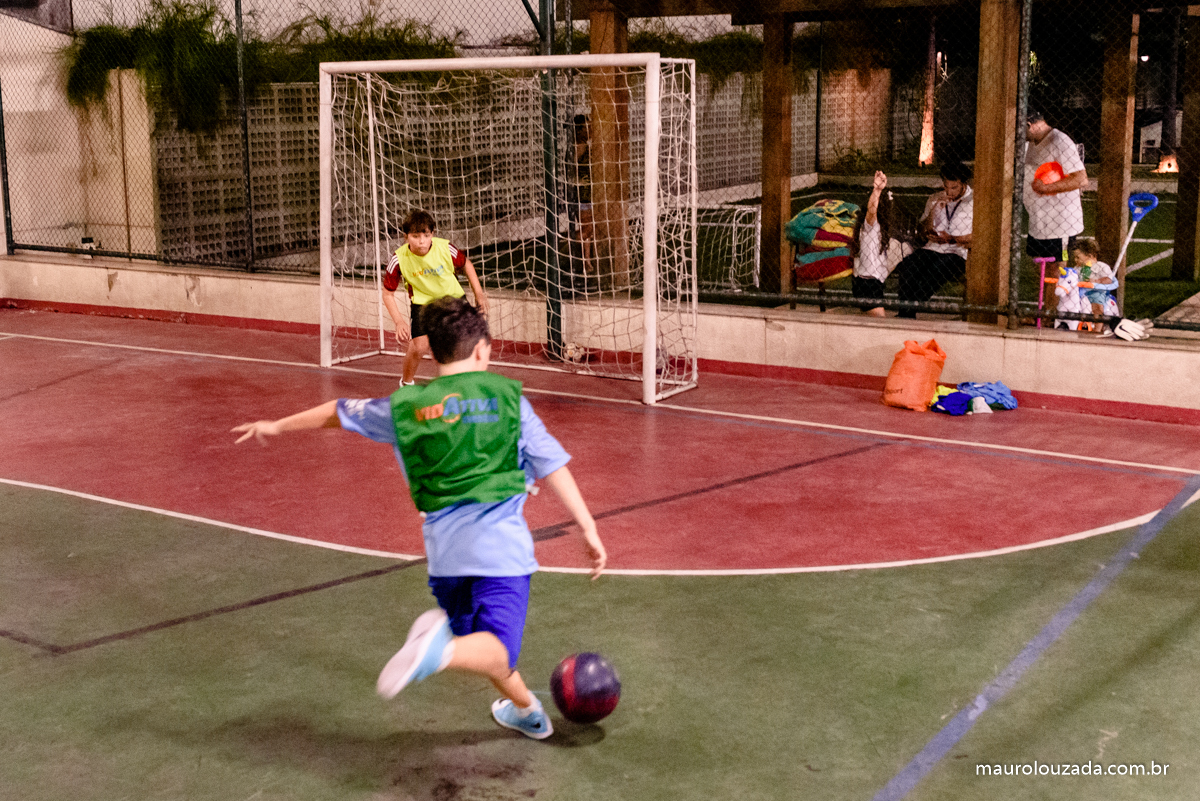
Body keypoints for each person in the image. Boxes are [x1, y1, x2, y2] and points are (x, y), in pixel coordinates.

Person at [232, 297, 606, 741]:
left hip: (444, 557)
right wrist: (588, 527)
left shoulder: (405, 407)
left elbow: (337, 410)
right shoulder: (509, 402)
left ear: (433, 351)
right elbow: (552, 466)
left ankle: (525, 710)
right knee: (493, 649)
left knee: (482, 651)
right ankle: (436, 653)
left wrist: (276, 425)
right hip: (500, 549)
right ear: (483, 350)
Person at [383, 209, 489, 386]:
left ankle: (466, 382)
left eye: (426, 235)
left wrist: (478, 293)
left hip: (453, 300)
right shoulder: (399, 259)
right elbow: (387, 294)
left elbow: (466, 265)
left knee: (464, 343)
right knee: (419, 347)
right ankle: (406, 384)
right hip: (423, 304)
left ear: (433, 234)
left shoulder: (445, 248)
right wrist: (399, 321)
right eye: (415, 236)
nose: (421, 241)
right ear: (405, 237)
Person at [1025, 109, 1088, 312]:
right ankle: (1044, 312)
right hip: (1039, 220)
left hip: (1059, 222)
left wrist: (1047, 188)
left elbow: (1080, 178)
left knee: (1057, 269)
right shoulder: (1032, 144)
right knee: (1040, 269)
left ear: (1028, 124)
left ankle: (1056, 314)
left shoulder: (1059, 142)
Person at [895, 161, 974, 318]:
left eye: (954, 188)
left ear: (963, 184)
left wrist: (952, 238)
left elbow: (978, 236)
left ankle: (909, 309)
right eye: (946, 187)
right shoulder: (936, 198)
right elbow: (923, 229)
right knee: (908, 266)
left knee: (937, 270)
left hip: (958, 251)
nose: (949, 192)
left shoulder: (974, 201)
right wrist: (934, 209)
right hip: (933, 247)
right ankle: (906, 313)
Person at [850, 170, 894, 317]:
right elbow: (871, 212)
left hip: (872, 283)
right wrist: (877, 191)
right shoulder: (871, 227)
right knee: (880, 325)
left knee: (870, 325)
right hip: (867, 284)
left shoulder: (880, 230)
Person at [565, 114, 594, 272]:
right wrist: (579, 181)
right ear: (579, 130)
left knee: (587, 229)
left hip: (586, 192)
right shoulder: (579, 146)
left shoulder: (583, 145)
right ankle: (563, 246)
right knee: (588, 229)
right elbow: (572, 167)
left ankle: (586, 262)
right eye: (587, 127)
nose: (590, 130)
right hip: (582, 194)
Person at [1069, 237, 1118, 319]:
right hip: (1079, 293)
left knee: (1094, 303)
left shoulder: (1102, 266)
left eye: (1078, 257)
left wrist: (1096, 281)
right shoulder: (1077, 268)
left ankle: (1096, 324)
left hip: (1096, 293)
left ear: (1089, 256)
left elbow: (1108, 280)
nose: (1075, 260)